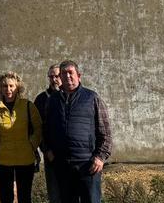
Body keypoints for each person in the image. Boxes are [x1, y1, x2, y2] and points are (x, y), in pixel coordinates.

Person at [43, 60, 112, 203]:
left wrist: (100, 157)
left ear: (79, 75)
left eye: (70, 73)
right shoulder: (52, 100)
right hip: (62, 165)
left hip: (88, 164)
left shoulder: (92, 98)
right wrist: (48, 150)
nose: (67, 76)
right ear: (60, 77)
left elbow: (105, 131)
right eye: (64, 73)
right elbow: (45, 129)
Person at [0, 72, 42, 203]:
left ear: (17, 87)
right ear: (0, 88)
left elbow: (39, 129)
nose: (8, 89)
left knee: (25, 197)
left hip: (25, 160)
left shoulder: (28, 106)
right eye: (4, 86)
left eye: (11, 86)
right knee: (5, 197)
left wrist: (31, 144)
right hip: (2, 161)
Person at [34, 64, 62, 203]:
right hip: (51, 155)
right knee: (55, 193)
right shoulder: (41, 99)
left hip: (71, 155)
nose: (54, 79)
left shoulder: (71, 95)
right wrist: (46, 149)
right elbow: (38, 128)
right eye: (51, 76)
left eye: (57, 76)